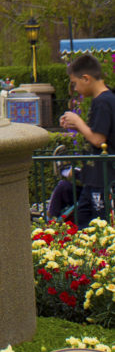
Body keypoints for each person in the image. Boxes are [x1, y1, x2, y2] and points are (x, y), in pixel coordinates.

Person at [60, 53, 115, 228]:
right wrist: (78, 127)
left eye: (74, 83)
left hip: (102, 179)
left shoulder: (103, 102)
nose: (74, 88)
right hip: (93, 177)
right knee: (82, 224)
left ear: (86, 78)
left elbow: (98, 139)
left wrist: (78, 121)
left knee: (100, 227)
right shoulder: (103, 100)